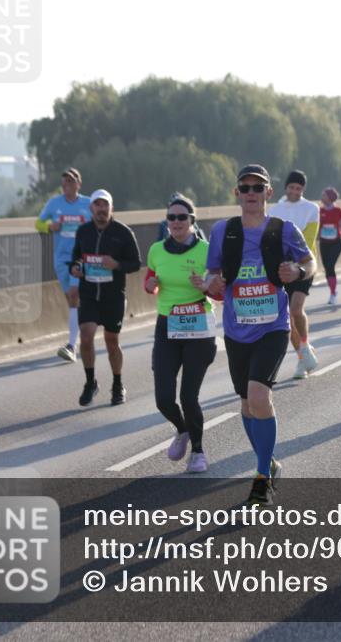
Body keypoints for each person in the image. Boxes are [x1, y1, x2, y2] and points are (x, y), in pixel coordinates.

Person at [204, 164, 315, 506]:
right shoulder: (224, 231)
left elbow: (310, 263)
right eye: (245, 187)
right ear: (236, 193)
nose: (251, 193)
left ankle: (262, 477)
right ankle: (270, 462)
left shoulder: (284, 229)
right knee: (247, 405)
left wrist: (296, 270)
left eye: (258, 187)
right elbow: (212, 275)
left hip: (273, 327)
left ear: (269, 193)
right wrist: (213, 284)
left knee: (259, 397)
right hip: (237, 330)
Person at [145, 195, 219, 473]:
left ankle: (198, 452)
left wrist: (205, 286)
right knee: (164, 398)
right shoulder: (156, 250)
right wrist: (150, 284)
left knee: (189, 396)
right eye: (171, 218)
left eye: (181, 218)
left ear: (191, 221)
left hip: (199, 324)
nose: (175, 222)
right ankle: (182, 429)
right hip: (167, 325)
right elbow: (150, 280)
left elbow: (218, 288)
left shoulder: (206, 250)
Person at [69, 189, 141, 406]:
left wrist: (116, 264)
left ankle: (117, 383)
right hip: (90, 293)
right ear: (91, 208)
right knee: (87, 334)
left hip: (113, 296)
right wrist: (76, 268)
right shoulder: (83, 232)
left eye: (105, 205)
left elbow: (136, 263)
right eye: (97, 205)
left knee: (112, 341)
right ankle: (90, 382)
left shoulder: (123, 232)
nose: (101, 209)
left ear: (111, 208)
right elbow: (76, 259)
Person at [36, 168, 91, 363]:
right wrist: (49, 227)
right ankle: (84, 326)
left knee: (74, 296)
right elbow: (38, 224)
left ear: (78, 184)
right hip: (60, 258)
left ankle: (71, 345)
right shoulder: (54, 203)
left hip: (81, 257)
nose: (66, 185)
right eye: (64, 182)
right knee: (71, 298)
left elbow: (101, 223)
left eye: (70, 181)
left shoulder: (88, 203)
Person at [269, 171, 320, 379]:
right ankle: (302, 358)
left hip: (304, 266)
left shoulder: (311, 208)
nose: (294, 192)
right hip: (282, 268)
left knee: (296, 309)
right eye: (291, 187)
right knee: (287, 318)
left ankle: (306, 346)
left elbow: (308, 240)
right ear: (286, 188)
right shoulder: (275, 210)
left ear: (303, 190)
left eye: (298, 188)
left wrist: (296, 264)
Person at [317, 187, 341, 305]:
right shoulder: (319, 211)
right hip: (323, 243)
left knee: (330, 267)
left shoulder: (338, 210)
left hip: (336, 243)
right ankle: (333, 290)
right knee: (327, 268)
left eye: (324, 195)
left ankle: (332, 294)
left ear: (330, 198)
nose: (322, 197)